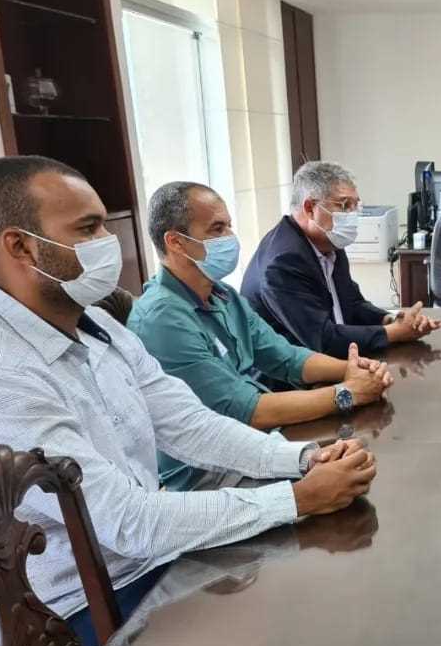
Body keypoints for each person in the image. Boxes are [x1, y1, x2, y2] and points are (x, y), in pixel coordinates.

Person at [0, 156, 377, 646]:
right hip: (64, 619)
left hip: (144, 566)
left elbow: (192, 427)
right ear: (20, 246)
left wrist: (303, 459)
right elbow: (126, 522)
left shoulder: (99, 329)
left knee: (321, 600)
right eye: (87, 229)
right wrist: (296, 499)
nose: (109, 241)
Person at [128, 181, 392, 491]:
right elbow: (246, 410)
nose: (230, 237)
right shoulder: (162, 320)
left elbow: (285, 356)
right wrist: (347, 393)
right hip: (207, 474)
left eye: (229, 226)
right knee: (351, 481)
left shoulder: (222, 295)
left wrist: (352, 369)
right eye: (217, 229)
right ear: (176, 242)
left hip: (258, 444)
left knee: (361, 459)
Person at [241, 161, 441, 358]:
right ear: (310, 208)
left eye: (355, 205)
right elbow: (323, 339)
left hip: (330, 360)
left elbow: (352, 303)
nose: (353, 215)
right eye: (344, 205)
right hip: (289, 375)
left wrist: (390, 319)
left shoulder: (329, 243)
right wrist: (394, 333)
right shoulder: (283, 261)